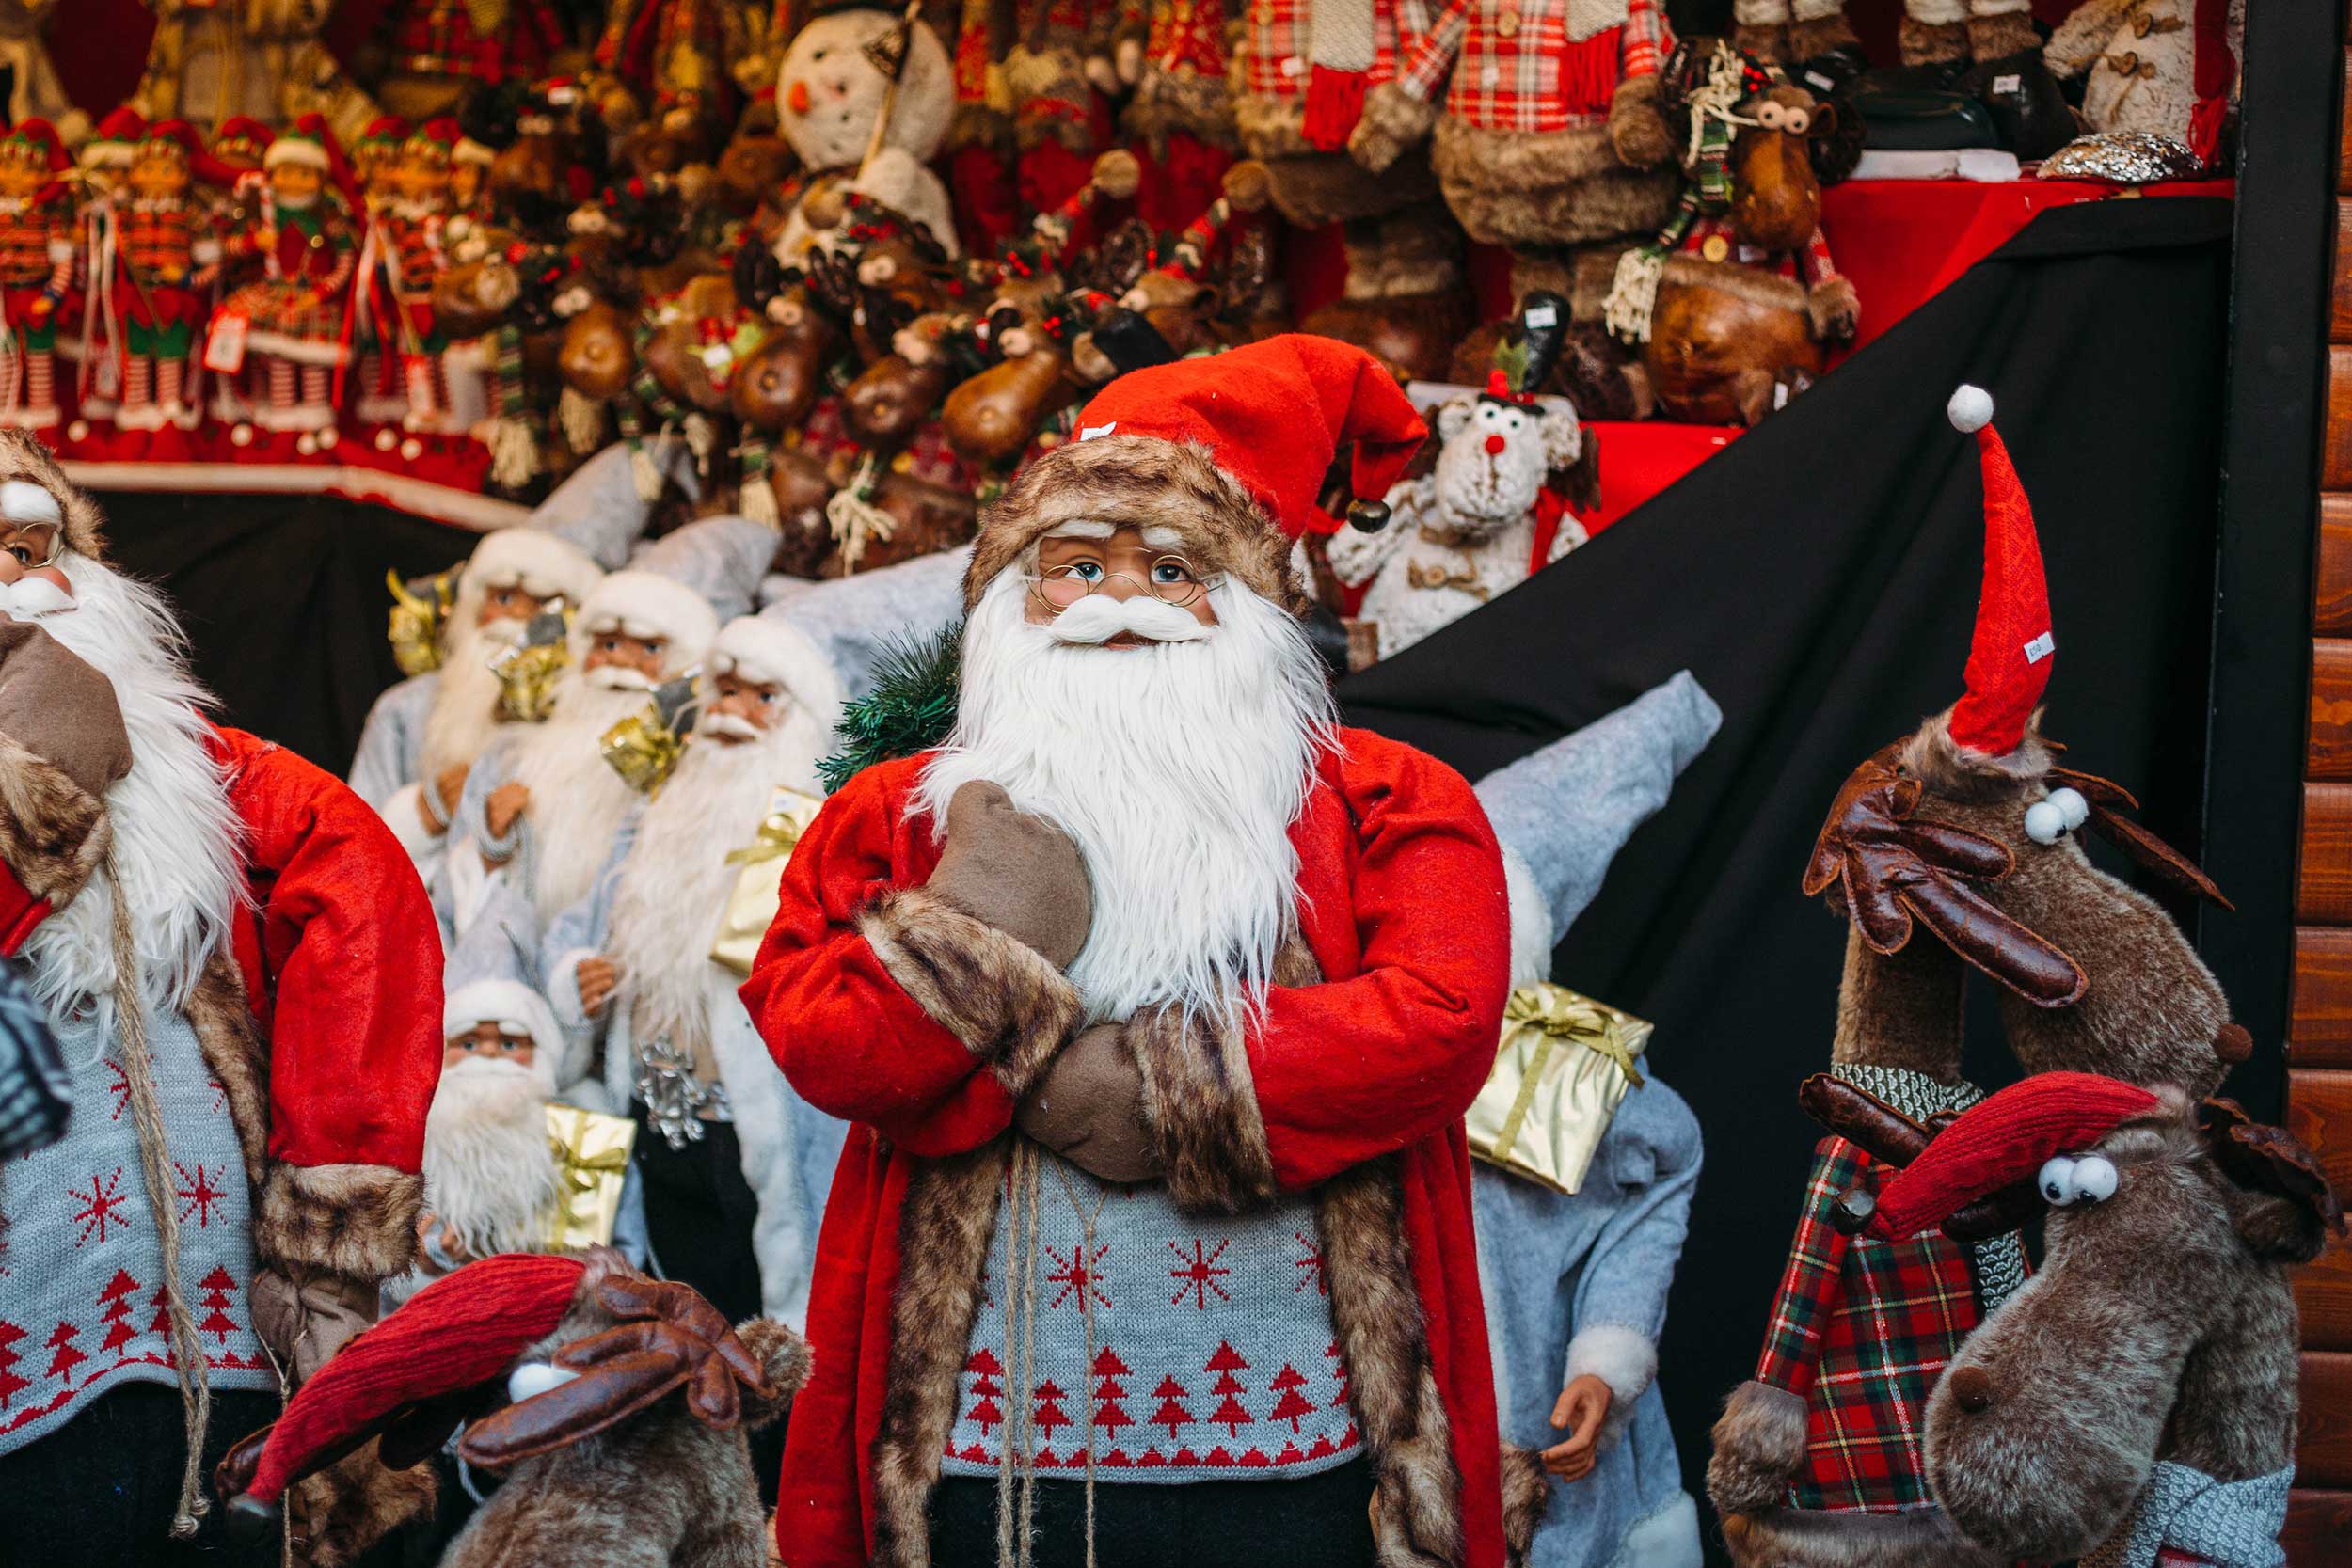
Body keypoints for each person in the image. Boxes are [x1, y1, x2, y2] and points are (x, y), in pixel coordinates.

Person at [747, 336, 1522, 1568]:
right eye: (1078, 564)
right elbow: (813, 1030)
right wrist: (975, 936)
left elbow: (1441, 1017)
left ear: (1253, 602)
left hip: (1297, 1440)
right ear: (1014, 597)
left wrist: (1174, 1083)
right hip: (990, 1448)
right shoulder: (904, 810)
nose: (1119, 597)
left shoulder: (1387, 797)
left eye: (1171, 565)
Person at [0, 434, 441, 1565]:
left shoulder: (216, 773)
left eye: (24, 547)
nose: (5, 578)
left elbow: (367, 898)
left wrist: (332, 1212)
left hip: (217, 1292)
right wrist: (38, 789)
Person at [547, 612, 848, 1329]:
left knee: (763, 1320)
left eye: (761, 697)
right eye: (724, 690)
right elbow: (577, 923)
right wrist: (575, 974)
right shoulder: (653, 810)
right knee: (657, 1315)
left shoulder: (821, 828)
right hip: (647, 1116)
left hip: (757, 1127)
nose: (732, 713)